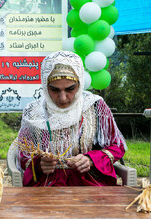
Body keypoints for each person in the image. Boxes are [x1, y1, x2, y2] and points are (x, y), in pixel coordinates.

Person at [17, 51, 126, 186]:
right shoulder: (34, 111)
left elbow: (117, 146)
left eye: (70, 89)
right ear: (45, 86)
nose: (63, 98)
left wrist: (91, 159)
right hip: (48, 184)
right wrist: (39, 164)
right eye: (54, 90)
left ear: (80, 84)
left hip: (88, 182)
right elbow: (23, 153)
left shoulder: (95, 106)